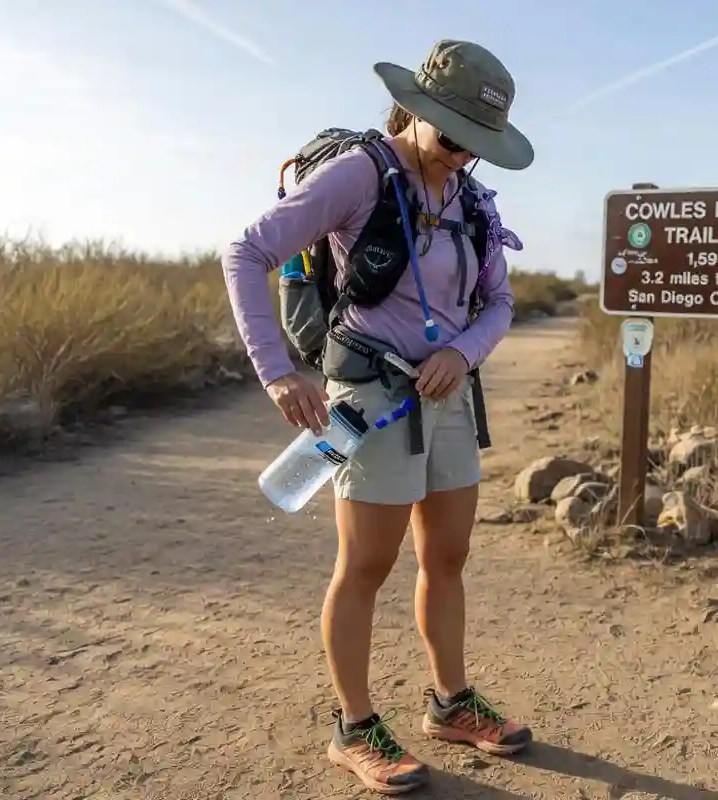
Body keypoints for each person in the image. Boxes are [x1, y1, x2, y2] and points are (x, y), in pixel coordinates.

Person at [220, 39, 535, 795]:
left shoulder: (472, 200)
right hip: (369, 403)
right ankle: (354, 727)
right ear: (419, 110)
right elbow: (245, 252)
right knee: (365, 568)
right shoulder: (361, 174)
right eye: (453, 137)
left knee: (448, 558)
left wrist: (463, 353)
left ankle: (452, 704)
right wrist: (277, 375)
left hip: (448, 399)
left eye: (477, 146)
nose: (462, 156)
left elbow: (498, 304)